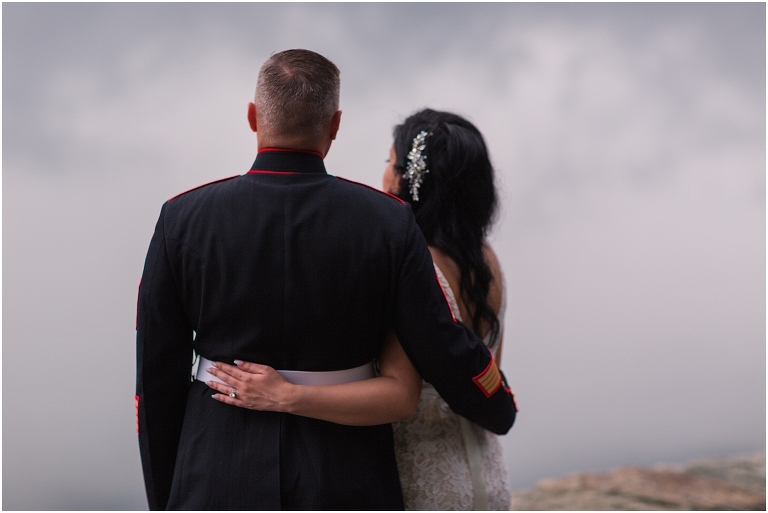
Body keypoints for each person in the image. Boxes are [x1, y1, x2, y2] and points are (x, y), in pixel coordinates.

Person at [136, 49, 515, 510]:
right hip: (346, 473)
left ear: (253, 117)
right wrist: (497, 403)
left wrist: (167, 495)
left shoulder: (181, 219)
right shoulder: (388, 223)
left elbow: (157, 377)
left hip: (215, 469)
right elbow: (437, 340)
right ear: (335, 125)